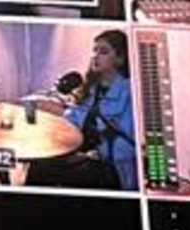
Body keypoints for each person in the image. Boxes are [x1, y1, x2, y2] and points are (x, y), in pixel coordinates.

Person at [50, 27, 138, 185]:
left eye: (103, 52)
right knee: (40, 167)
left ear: (120, 59)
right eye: (95, 51)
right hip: (83, 156)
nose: (95, 56)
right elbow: (74, 118)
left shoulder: (130, 92)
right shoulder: (91, 89)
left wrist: (94, 155)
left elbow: (127, 144)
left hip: (110, 168)